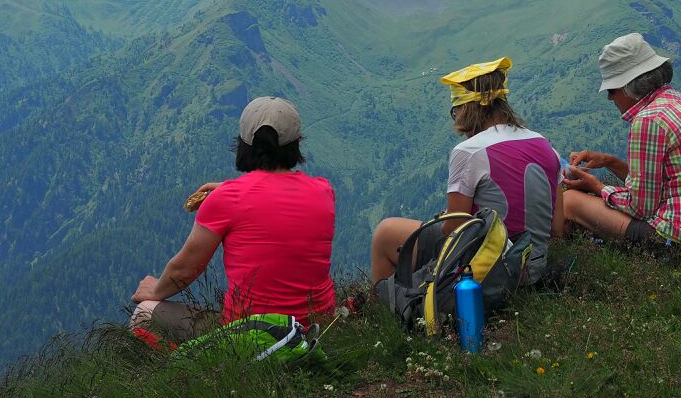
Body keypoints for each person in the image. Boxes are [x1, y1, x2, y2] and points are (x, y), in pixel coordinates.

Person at [129, 96, 336, 340]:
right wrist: (232, 191)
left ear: (244, 144)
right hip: (317, 329)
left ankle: (204, 371)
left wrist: (154, 290)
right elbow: (275, 199)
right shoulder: (324, 191)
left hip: (250, 334)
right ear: (295, 144)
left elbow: (185, 270)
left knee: (142, 314)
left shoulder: (228, 199)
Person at [370, 57, 563, 285]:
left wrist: (445, 219)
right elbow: (557, 228)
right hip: (534, 269)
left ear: (466, 109)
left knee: (385, 233)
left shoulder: (469, 151)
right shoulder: (546, 146)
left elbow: (454, 229)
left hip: (490, 271)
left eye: (456, 112)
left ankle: (383, 311)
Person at [562, 33, 681, 252]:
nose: (609, 98)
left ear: (629, 87)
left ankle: (554, 267)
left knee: (569, 201)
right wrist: (610, 162)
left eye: (611, 90)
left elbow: (641, 208)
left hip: (677, 242)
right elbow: (654, 189)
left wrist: (596, 187)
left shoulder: (648, 120)